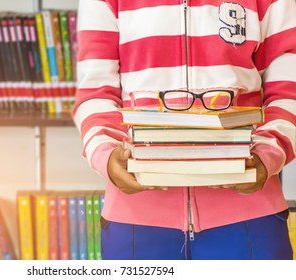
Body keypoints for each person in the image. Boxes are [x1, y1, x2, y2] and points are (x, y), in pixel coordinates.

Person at [72, 0, 296, 260]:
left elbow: (288, 91)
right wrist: (107, 156)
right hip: (137, 219)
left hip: (250, 214)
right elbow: (95, 92)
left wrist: (268, 153)